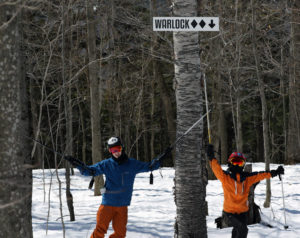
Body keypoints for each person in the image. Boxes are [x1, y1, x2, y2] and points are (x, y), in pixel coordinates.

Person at [66, 136, 170, 238]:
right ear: (110, 151)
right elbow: (89, 171)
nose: (116, 152)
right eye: (113, 150)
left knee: (120, 234)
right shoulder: (106, 164)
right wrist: (76, 163)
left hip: (122, 206)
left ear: (122, 148)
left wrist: (162, 157)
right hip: (107, 205)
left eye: (118, 148)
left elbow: (149, 166)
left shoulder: (132, 164)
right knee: (100, 231)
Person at [206, 144, 284, 238]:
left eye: (239, 163)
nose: (237, 165)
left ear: (243, 165)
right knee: (243, 230)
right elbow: (216, 168)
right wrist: (211, 157)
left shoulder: (247, 178)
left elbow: (261, 175)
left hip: (243, 212)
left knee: (237, 231)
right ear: (230, 163)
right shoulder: (225, 177)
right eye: (235, 162)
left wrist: (275, 172)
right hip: (230, 212)